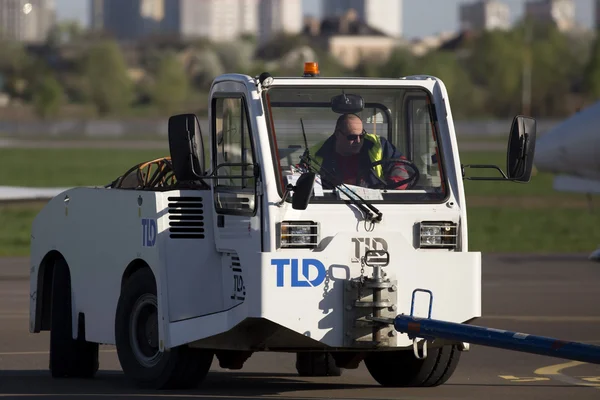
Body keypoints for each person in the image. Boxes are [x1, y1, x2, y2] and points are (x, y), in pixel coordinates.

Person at [307, 113, 412, 190]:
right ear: (338, 134)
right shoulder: (315, 153)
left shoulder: (379, 145)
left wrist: (388, 187)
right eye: (352, 137)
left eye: (361, 136)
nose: (358, 141)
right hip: (330, 207)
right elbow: (299, 176)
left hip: (375, 206)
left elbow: (401, 167)